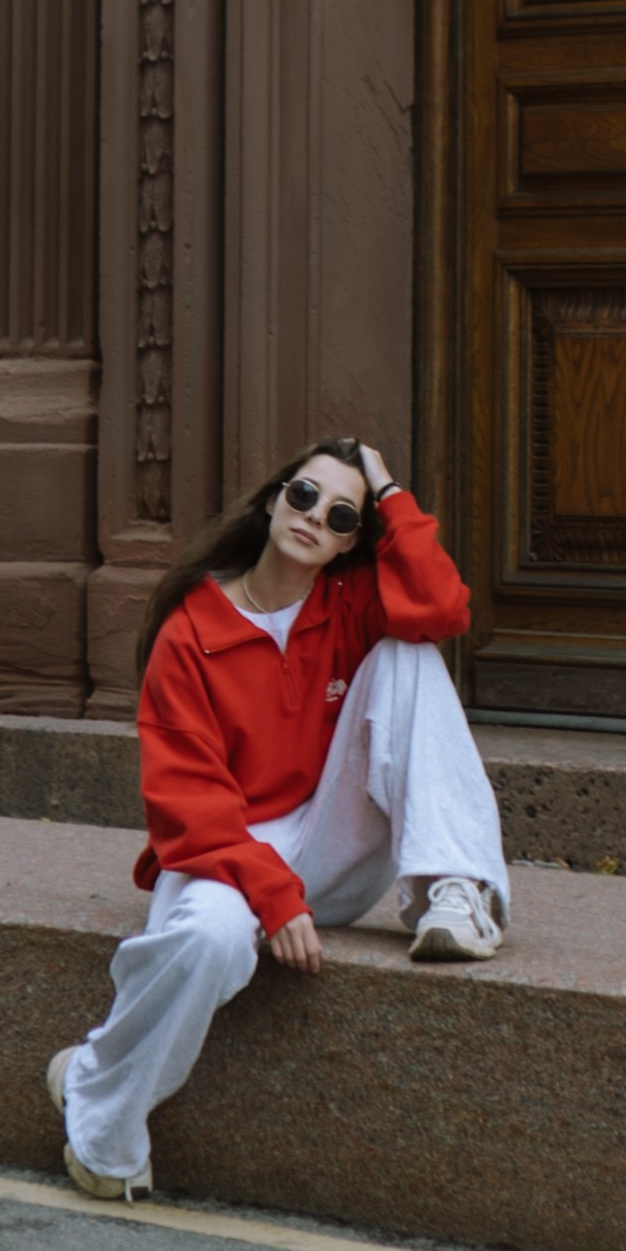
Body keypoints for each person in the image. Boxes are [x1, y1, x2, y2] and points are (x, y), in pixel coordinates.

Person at [47, 436, 510, 1204]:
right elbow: (188, 801)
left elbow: (443, 606)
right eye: (303, 494)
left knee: (411, 654)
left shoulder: (350, 603)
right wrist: (269, 890)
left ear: (350, 540)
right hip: (225, 850)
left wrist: (388, 490)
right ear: (272, 500)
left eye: (341, 515)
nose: (314, 517)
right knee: (207, 937)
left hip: (331, 839)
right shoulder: (191, 630)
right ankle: (101, 1109)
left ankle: (454, 887)